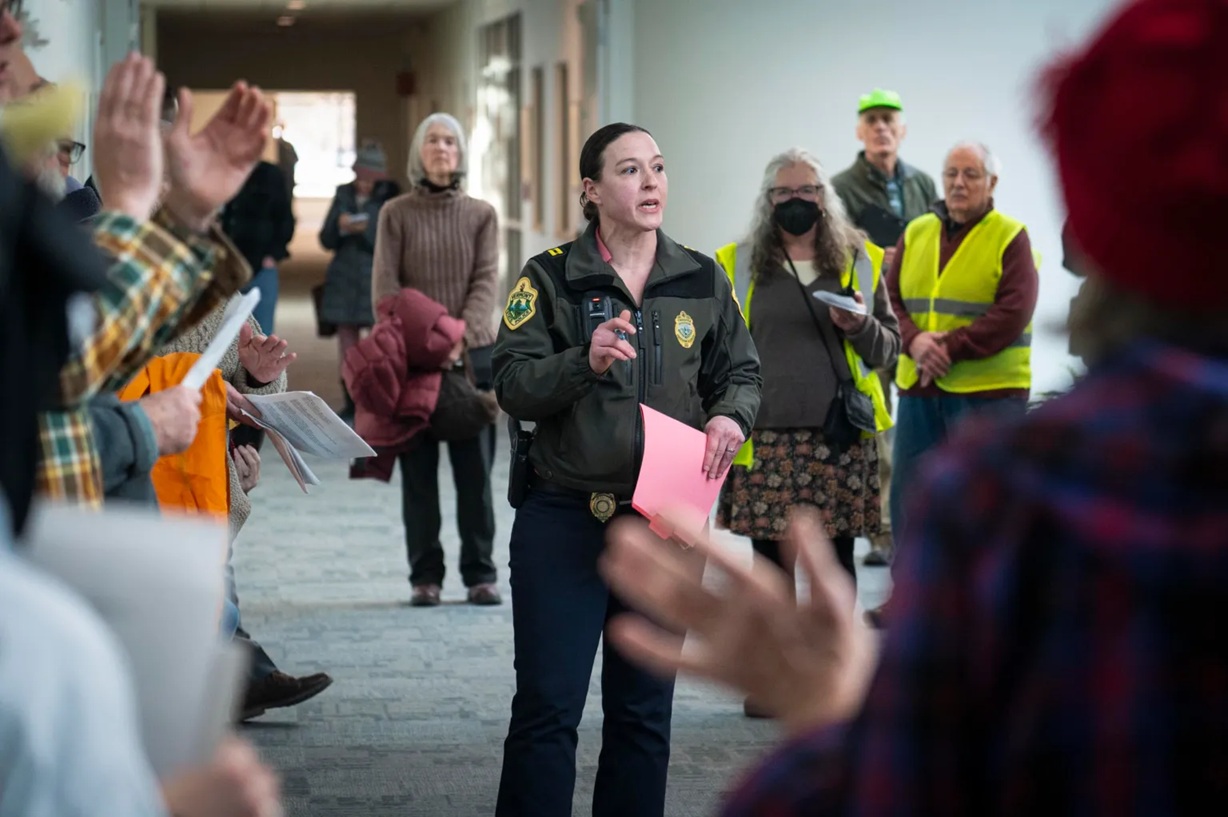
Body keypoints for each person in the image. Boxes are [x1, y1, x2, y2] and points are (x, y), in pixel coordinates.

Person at [599, 0, 1228, 813]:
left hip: (846, 437)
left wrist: (835, 705)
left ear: (1094, 225)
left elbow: (902, 782)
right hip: (777, 441)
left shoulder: (1010, 503)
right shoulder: (741, 260)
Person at [491, 122, 762, 817]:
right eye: (630, 170)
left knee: (644, 715)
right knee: (548, 708)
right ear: (592, 189)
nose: (651, 183)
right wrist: (584, 360)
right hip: (564, 519)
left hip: (664, 523)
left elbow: (741, 372)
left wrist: (730, 415)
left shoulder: (701, 275)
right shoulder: (551, 276)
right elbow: (513, 384)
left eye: (658, 168)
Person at [32, 53, 271, 520]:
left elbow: (95, 359)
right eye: (50, 146)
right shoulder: (52, 253)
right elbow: (37, 449)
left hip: (168, 514)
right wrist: (145, 428)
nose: (63, 165)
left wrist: (185, 215)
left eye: (67, 148)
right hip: (99, 534)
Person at [715, 148, 899, 717]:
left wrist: (859, 323)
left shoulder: (861, 258)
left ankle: (838, 675)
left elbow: (889, 347)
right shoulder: (737, 261)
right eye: (785, 193)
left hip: (839, 437)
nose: (797, 202)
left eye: (809, 191)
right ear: (768, 201)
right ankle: (775, 681)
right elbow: (715, 349)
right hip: (763, 437)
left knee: (836, 565)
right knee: (770, 570)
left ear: (826, 197)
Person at [877, 140, 1039, 626]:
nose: (958, 183)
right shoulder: (917, 230)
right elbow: (890, 299)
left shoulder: (1011, 236)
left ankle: (982, 605)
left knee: (984, 502)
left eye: (971, 174)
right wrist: (916, 341)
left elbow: (1013, 311)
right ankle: (908, 598)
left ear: (991, 183)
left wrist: (949, 346)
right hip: (922, 391)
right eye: (951, 173)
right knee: (909, 499)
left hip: (988, 395)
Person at [371, 113, 502, 607]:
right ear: (418, 153)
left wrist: (458, 337)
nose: (442, 148)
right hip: (413, 359)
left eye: (450, 140)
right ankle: (424, 575)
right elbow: (386, 289)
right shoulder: (396, 214)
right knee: (419, 480)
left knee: (476, 479)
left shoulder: (482, 214)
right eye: (432, 140)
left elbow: (486, 283)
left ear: (461, 151)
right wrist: (430, 341)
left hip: (472, 364)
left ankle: (480, 573)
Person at [832, 88, 937, 568]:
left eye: (889, 120)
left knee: (918, 423)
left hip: (914, 315)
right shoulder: (839, 188)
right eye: (872, 120)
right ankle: (882, 533)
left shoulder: (922, 184)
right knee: (876, 425)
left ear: (902, 130)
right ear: (859, 130)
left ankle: (919, 529)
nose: (881, 128)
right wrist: (877, 254)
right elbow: (834, 249)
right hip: (868, 317)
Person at [319, 139, 401, 419]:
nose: (364, 184)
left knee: (379, 344)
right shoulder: (342, 194)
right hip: (344, 280)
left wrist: (365, 229)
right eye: (361, 177)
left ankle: (376, 399)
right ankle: (351, 401)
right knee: (347, 346)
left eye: (370, 178)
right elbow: (325, 239)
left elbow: (393, 242)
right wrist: (340, 228)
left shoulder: (392, 198)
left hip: (376, 279)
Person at [221, 159, 295, 335]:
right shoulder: (222, 172)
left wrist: (274, 254)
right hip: (227, 265)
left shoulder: (269, 175)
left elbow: (284, 218)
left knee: (261, 332)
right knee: (224, 333)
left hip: (261, 264)